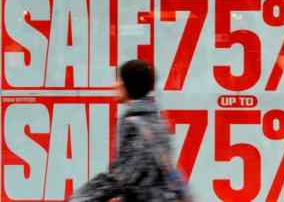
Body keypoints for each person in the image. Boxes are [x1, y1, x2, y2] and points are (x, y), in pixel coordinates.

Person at [69, 60, 192, 202]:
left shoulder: (135, 124)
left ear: (127, 84)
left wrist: (80, 198)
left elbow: (121, 176)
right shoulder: (155, 118)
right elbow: (147, 176)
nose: (114, 84)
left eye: (119, 79)